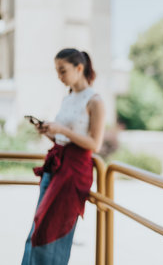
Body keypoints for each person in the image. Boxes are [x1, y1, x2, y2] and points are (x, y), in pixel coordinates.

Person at [21, 48, 105, 265]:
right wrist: (51, 132)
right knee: (38, 227)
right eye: (57, 71)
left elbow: (94, 144)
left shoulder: (95, 101)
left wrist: (63, 130)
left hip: (73, 172)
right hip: (56, 165)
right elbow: (65, 139)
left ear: (79, 68)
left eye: (62, 71)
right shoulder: (68, 98)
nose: (59, 76)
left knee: (52, 231)